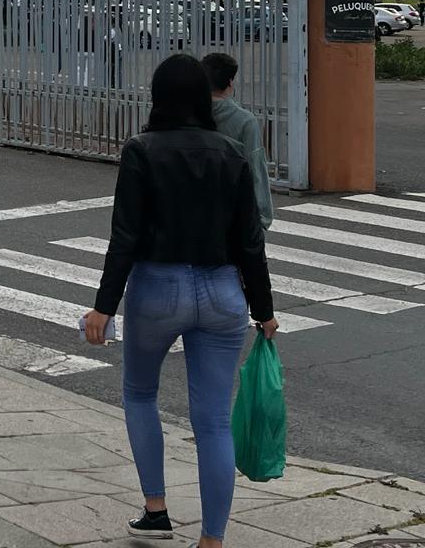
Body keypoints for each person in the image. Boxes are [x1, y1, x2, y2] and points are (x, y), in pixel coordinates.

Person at [83, 54, 276, 548]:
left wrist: (104, 306)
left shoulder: (142, 150)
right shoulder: (232, 153)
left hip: (157, 287)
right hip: (222, 292)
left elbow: (124, 235)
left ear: (158, 97)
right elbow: (249, 240)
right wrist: (264, 310)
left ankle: (156, 510)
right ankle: (212, 540)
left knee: (140, 393)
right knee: (213, 420)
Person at [202, 52, 273, 229]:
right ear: (230, 82)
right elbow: (255, 169)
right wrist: (263, 218)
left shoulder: (187, 114)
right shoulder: (244, 121)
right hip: (232, 214)